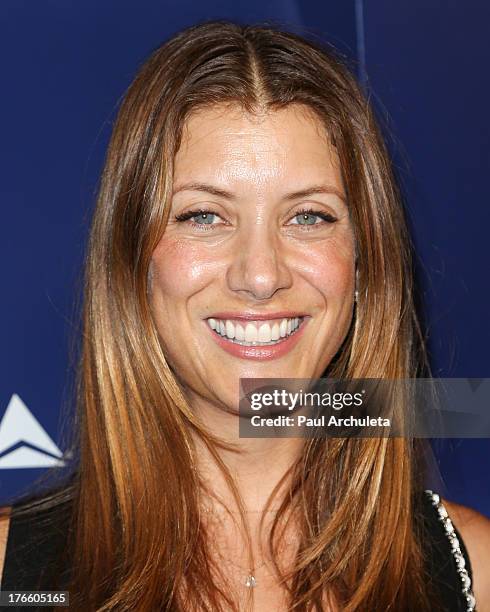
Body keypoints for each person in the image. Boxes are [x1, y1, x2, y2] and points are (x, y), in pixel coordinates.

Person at [1, 20, 489, 612]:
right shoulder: (15, 574)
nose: (260, 275)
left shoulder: (474, 570)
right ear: (133, 265)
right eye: (204, 216)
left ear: (364, 264)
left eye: (309, 216)